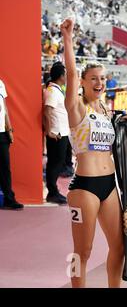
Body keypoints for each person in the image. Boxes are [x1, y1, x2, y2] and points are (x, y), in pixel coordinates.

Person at [60, 18, 124, 288]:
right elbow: (71, 74)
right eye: (93, 79)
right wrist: (67, 39)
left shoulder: (106, 111)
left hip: (110, 186)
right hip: (84, 187)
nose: (99, 82)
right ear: (83, 83)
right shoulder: (77, 108)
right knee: (82, 252)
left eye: (103, 78)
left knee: (120, 248)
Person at [43, 62, 69, 204]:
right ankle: (52, 192)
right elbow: (47, 110)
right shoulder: (52, 91)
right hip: (56, 133)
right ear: (60, 76)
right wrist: (49, 132)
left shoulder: (56, 89)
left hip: (61, 132)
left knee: (57, 163)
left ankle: (53, 191)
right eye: (65, 74)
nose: (67, 77)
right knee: (55, 163)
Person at [0, 79, 23, 210]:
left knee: (4, 168)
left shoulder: (0, 83)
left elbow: (4, 108)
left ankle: (9, 199)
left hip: (2, 133)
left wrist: (9, 129)